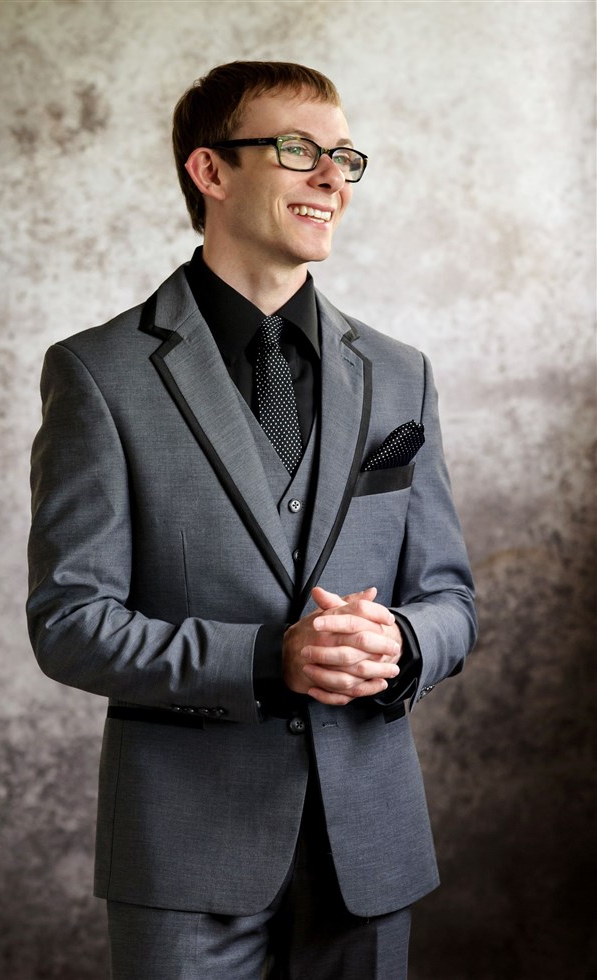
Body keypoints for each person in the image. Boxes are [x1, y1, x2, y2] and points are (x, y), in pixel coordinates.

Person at [27, 61, 477, 980]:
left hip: (369, 847)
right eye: (299, 150)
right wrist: (270, 659)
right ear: (211, 171)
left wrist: (401, 641)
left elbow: (452, 601)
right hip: (185, 855)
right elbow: (69, 624)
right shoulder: (99, 374)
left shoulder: (400, 374)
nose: (333, 178)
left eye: (345, 156)